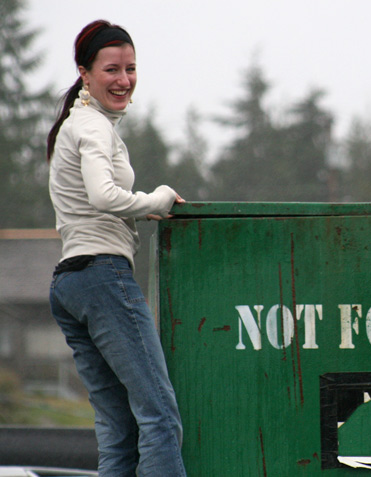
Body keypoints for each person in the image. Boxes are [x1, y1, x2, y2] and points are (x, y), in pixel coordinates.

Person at [46, 20, 187, 476]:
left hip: (69, 282)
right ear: (84, 74)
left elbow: (93, 203)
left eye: (130, 68)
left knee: (118, 428)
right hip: (104, 276)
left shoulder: (77, 124)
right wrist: (157, 200)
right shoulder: (92, 126)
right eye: (111, 69)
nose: (123, 79)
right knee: (160, 418)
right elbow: (104, 196)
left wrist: (134, 211)